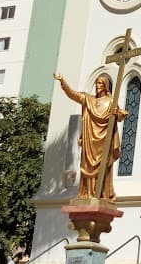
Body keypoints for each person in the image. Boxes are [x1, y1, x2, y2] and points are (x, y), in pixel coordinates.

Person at [53, 71, 127, 202]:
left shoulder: (110, 102)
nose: (97, 85)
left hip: (104, 141)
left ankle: (101, 194)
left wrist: (119, 114)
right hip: (89, 141)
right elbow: (72, 94)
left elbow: (120, 115)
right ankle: (87, 194)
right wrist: (62, 82)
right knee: (87, 167)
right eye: (96, 83)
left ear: (105, 85)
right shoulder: (88, 99)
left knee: (103, 168)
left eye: (100, 83)